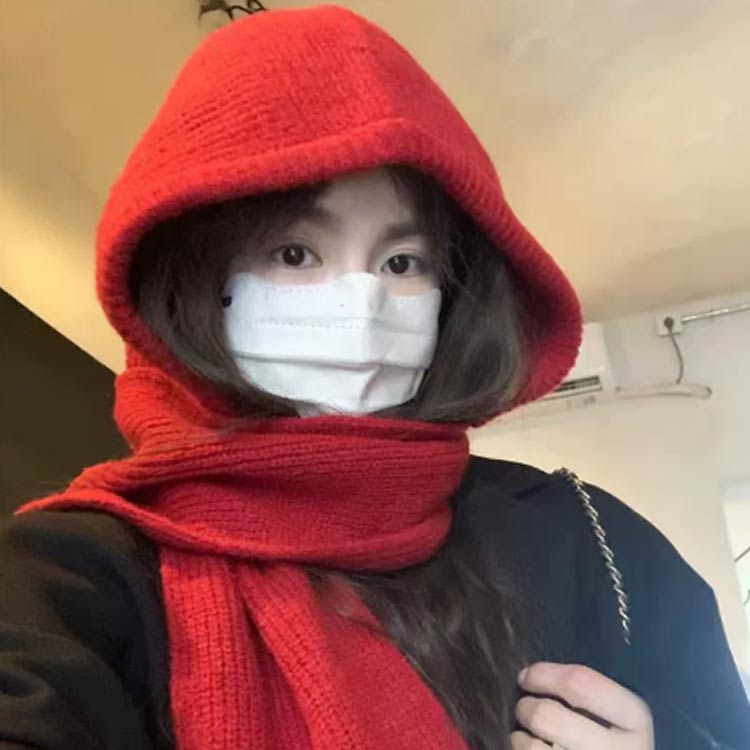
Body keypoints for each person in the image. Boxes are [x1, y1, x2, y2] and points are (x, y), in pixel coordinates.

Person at [0, 5, 748, 750]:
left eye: (403, 262)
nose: (362, 306)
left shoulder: (583, 536)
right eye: (295, 253)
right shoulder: (73, 576)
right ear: (197, 280)